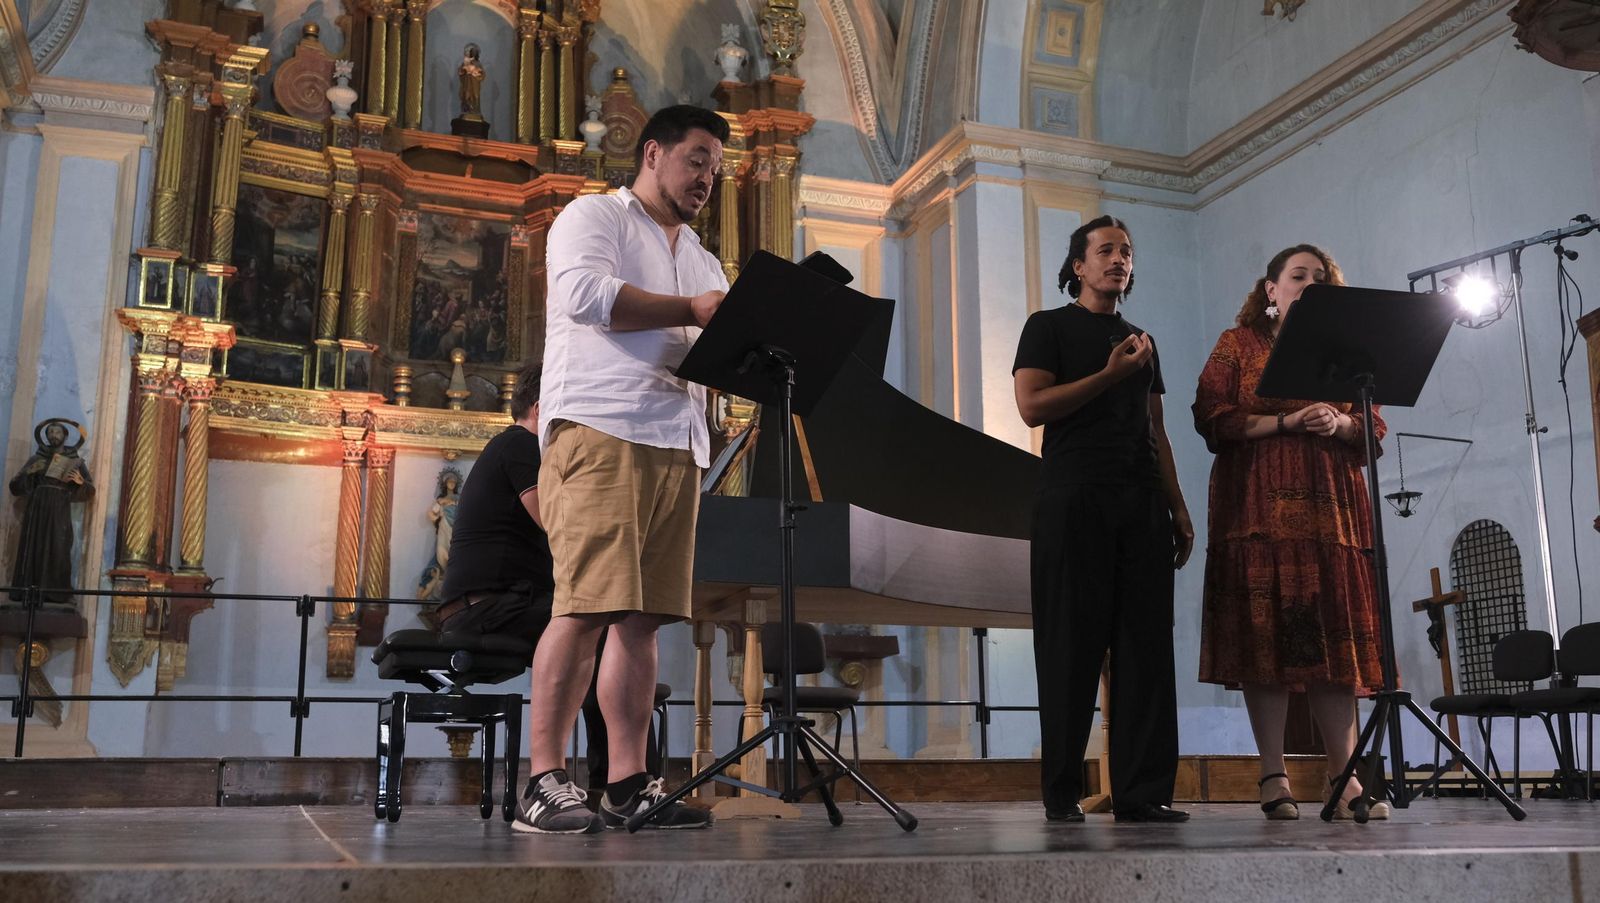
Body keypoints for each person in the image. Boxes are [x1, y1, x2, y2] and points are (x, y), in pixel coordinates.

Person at [520, 104, 729, 834]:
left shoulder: (704, 257)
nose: (708, 177)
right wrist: (695, 311)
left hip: (677, 438)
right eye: (697, 159)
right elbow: (583, 296)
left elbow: (712, 338)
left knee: (643, 622)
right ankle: (542, 778)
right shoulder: (593, 217)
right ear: (653, 153)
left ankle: (627, 783)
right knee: (584, 605)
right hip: (600, 426)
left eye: (717, 169)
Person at [1192, 244, 1390, 821]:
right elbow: (1211, 414)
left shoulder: (1343, 353)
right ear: (1271, 289)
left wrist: (1343, 420)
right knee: (1265, 642)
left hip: (1331, 518)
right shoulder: (1238, 344)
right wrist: (1286, 421)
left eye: (1320, 278)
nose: (1308, 284)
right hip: (1257, 515)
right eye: (1297, 276)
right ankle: (1273, 775)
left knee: (1335, 647)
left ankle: (1345, 776)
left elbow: (1374, 427)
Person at [1012, 215, 1194, 824]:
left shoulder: (1143, 338)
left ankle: (1143, 793)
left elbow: (1156, 429)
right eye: (1106, 251)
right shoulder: (1048, 327)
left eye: (1127, 252)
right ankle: (1062, 793)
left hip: (1140, 502)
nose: (1120, 260)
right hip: (1073, 498)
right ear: (1078, 267)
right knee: (1071, 645)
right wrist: (1109, 374)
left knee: (1146, 649)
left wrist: (1178, 505)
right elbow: (1032, 407)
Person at [432, 364, 659, 807]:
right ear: (541, 407)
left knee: (609, 624)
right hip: (486, 606)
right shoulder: (519, 445)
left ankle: (617, 785)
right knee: (609, 628)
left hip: (510, 600)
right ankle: (614, 787)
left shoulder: (522, 449)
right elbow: (561, 527)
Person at [9, 420, 93, 604]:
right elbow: (15, 487)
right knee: (34, 546)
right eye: (50, 433)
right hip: (37, 509)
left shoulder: (73, 459)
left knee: (59, 546)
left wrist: (81, 482)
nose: (54, 436)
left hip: (59, 510)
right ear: (46, 437)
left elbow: (90, 489)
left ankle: (58, 592)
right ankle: (29, 591)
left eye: (57, 432)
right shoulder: (37, 459)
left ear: (65, 435)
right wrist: (30, 472)